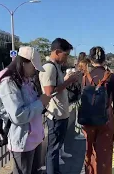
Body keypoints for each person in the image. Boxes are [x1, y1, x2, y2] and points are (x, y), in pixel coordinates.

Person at [0, 46, 52, 174]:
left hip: (34, 139)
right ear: (23, 63)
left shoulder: (26, 81)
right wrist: (40, 102)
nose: (35, 71)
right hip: (23, 141)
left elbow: (33, 105)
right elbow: (18, 115)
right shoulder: (9, 83)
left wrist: (42, 102)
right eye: (33, 67)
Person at [39, 38, 78, 174]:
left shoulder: (56, 67)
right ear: (57, 52)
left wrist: (67, 80)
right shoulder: (49, 67)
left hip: (61, 114)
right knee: (53, 150)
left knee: (56, 149)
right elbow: (50, 92)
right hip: (55, 115)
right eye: (65, 55)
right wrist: (69, 82)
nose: (66, 58)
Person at [81, 46, 114, 174]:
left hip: (88, 120)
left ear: (91, 61)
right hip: (106, 119)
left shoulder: (85, 77)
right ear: (104, 60)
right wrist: (111, 114)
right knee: (105, 153)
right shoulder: (112, 77)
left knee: (89, 152)